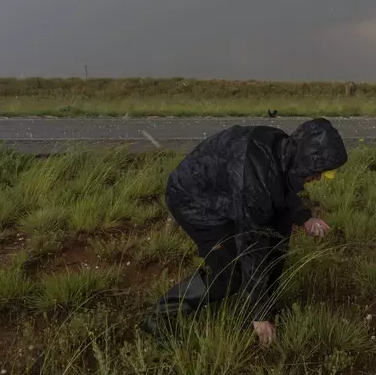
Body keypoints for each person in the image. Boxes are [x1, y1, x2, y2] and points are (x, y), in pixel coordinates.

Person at [142, 117, 348, 346]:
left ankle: (260, 304)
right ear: (305, 162)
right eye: (319, 172)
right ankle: (161, 315)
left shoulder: (282, 148)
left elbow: (280, 184)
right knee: (233, 269)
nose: (318, 178)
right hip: (195, 201)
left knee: (278, 231)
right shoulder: (253, 178)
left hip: (231, 194)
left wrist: (304, 217)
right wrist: (258, 315)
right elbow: (252, 246)